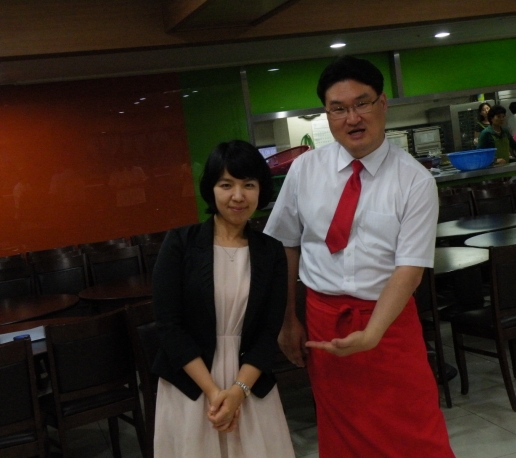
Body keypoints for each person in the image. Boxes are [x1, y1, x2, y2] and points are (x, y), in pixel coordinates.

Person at [264, 56, 454, 458]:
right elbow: (285, 246)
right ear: (327, 114)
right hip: (322, 321)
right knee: (342, 435)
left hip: (388, 323)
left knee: (416, 433)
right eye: (338, 108)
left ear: (382, 103)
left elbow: (410, 269)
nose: (352, 118)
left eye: (362, 103)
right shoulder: (304, 171)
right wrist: (287, 318)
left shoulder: (415, 180)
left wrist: (371, 334)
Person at [152, 140, 295, 457]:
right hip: (191, 385)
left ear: (260, 189)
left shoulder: (270, 252)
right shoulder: (180, 244)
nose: (238, 196)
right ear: (211, 189)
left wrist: (237, 392)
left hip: (248, 384)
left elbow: (268, 331)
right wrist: (216, 393)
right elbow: (169, 326)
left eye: (249, 185)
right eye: (226, 185)